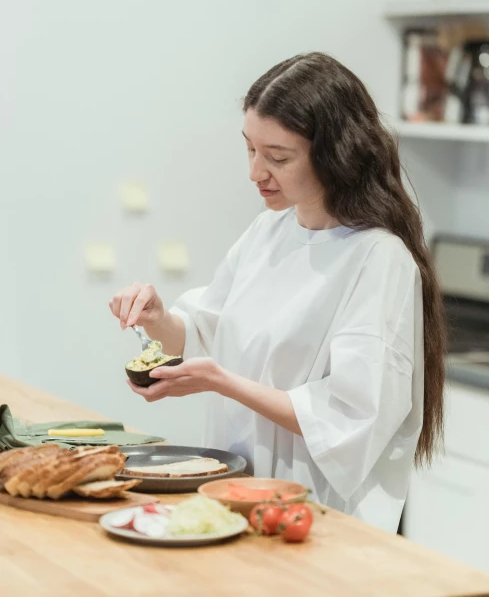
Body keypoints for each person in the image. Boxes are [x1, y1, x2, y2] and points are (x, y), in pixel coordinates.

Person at [109, 52, 446, 533]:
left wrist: (221, 381)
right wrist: (157, 318)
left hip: (320, 520)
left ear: (335, 154)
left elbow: (350, 417)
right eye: (250, 149)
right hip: (240, 502)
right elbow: (208, 331)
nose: (255, 172)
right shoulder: (269, 232)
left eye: (278, 157)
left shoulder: (379, 259)